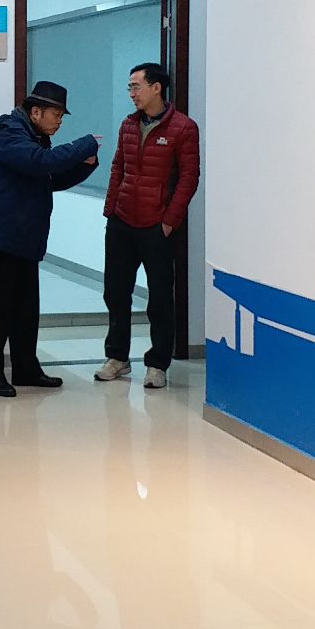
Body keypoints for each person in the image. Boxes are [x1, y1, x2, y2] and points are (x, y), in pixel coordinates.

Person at [0, 80, 99, 397]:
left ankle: (26, 368)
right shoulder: (8, 133)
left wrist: (85, 167)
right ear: (36, 111)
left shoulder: (34, 139)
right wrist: (83, 145)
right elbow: (38, 163)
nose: (59, 121)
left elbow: (48, 178)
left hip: (25, 238)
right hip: (1, 238)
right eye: (57, 114)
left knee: (26, 310)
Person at [95, 62, 200, 390]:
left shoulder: (183, 127)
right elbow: (118, 166)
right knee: (115, 292)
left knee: (160, 298)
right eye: (130, 87)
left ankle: (157, 364)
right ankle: (117, 357)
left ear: (156, 88)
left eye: (136, 86)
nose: (132, 93)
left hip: (157, 226)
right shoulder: (129, 125)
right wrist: (110, 208)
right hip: (122, 222)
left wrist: (170, 221)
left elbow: (189, 178)